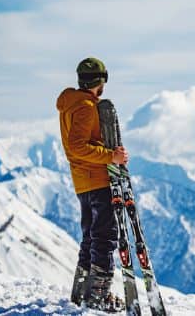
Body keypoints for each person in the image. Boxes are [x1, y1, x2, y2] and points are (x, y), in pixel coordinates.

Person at [56, 57, 128, 312]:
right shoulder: (86, 107)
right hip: (97, 179)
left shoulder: (70, 106)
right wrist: (112, 156)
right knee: (105, 236)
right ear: (102, 80)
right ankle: (99, 295)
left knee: (91, 237)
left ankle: (82, 292)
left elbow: (75, 146)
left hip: (83, 182)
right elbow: (77, 146)